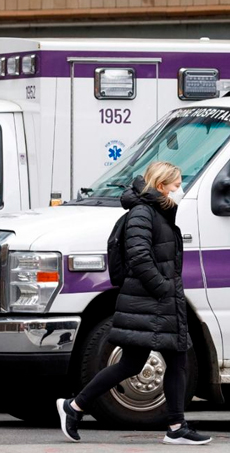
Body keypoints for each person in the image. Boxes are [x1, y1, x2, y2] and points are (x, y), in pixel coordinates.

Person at [56, 161, 211, 445]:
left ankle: (175, 426)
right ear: (162, 186)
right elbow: (139, 257)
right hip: (150, 300)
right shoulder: (143, 213)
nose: (181, 190)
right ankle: (74, 406)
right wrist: (163, 288)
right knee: (137, 363)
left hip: (161, 301)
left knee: (174, 361)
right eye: (177, 185)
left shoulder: (160, 213)